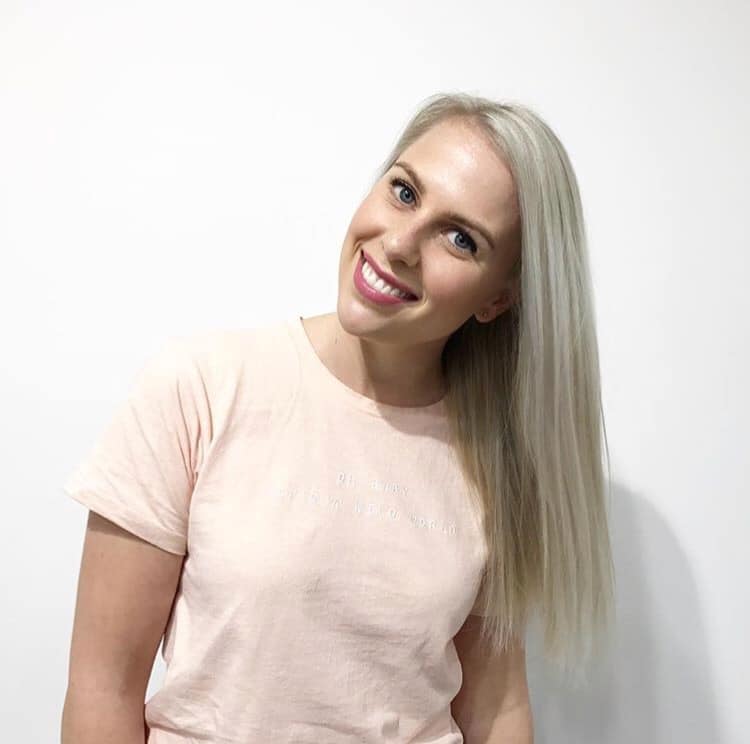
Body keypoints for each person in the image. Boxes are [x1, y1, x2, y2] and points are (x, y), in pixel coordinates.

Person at [61, 91, 615, 744]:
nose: (401, 243)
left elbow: (496, 708)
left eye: (460, 238)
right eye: (405, 192)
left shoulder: (494, 459)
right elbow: (103, 690)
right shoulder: (200, 387)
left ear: (497, 299)